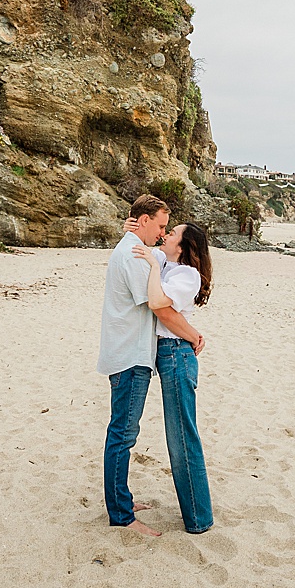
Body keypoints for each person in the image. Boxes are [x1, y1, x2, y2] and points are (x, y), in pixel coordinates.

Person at [97, 195, 200, 536]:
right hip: (130, 354)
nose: (161, 233)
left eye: (167, 229)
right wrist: (194, 336)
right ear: (142, 221)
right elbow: (160, 308)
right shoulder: (133, 255)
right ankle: (122, 516)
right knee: (123, 435)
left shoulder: (135, 248)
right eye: (159, 225)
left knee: (124, 432)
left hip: (131, 352)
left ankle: (121, 500)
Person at [132, 221, 215, 534]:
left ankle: (199, 518)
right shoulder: (167, 262)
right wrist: (133, 225)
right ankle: (197, 513)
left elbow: (160, 306)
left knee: (182, 437)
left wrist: (193, 335)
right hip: (168, 354)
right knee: (178, 435)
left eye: (173, 233)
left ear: (183, 246)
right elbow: (144, 245)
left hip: (177, 354)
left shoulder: (186, 274)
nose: (166, 236)